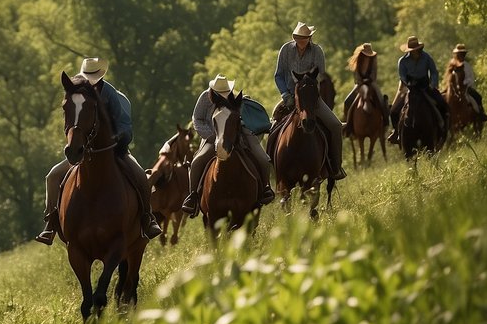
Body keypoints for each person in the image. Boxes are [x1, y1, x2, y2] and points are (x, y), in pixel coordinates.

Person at [34, 57, 163, 245]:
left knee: (140, 175)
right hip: (83, 152)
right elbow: (71, 118)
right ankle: (51, 223)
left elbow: (125, 125)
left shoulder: (112, 95)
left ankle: (147, 218)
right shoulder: (76, 91)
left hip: (114, 151)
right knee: (52, 177)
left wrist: (118, 137)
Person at [180, 74, 275, 216]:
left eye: (226, 92)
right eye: (221, 93)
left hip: (235, 134)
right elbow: (197, 119)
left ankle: (266, 188)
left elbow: (238, 117)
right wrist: (210, 135)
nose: (224, 95)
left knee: (262, 157)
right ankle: (193, 196)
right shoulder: (204, 98)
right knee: (197, 162)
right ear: (213, 91)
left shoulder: (232, 97)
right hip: (211, 136)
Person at [273, 21, 347, 180]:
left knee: (335, 125)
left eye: (305, 38)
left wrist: (304, 81)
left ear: (309, 38)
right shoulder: (285, 50)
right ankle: (272, 170)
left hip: (311, 97)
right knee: (273, 126)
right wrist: (285, 94)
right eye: (299, 37)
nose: (302, 40)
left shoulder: (317, 51)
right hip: (289, 97)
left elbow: (320, 75)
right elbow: (278, 75)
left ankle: (336, 166)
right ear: (294, 37)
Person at [387, 36, 450, 143]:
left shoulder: (427, 57)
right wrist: (409, 84)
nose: (414, 52)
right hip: (409, 86)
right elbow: (402, 76)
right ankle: (396, 132)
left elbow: (434, 72)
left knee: (442, 103)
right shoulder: (402, 61)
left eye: (415, 50)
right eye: (412, 50)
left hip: (425, 85)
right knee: (394, 110)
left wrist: (432, 84)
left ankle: (443, 128)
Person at [342, 42, 387, 131]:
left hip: (371, 83)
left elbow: (374, 74)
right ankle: (347, 125)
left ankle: (385, 122)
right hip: (359, 84)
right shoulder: (358, 61)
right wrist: (361, 82)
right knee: (347, 101)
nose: (368, 56)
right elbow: (356, 75)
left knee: (381, 99)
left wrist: (369, 80)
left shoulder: (373, 60)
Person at [444, 43, 487, 121]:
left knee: (478, 97)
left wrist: (464, 83)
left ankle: (480, 114)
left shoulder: (467, 66)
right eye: (459, 54)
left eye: (462, 54)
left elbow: (471, 78)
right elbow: (448, 77)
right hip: (452, 87)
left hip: (466, 88)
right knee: (442, 97)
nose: (461, 56)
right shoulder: (452, 65)